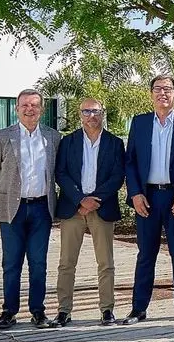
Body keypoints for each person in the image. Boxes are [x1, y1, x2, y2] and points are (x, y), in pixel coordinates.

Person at [123, 75, 174, 325]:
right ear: (151, 94)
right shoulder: (140, 123)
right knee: (146, 253)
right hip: (147, 198)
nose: (162, 94)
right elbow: (131, 161)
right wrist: (135, 193)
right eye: (158, 89)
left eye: (167, 89)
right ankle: (138, 308)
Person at [0, 89, 61, 329]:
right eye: (25, 105)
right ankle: (9, 311)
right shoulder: (3, 136)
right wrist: (8, 192)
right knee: (11, 262)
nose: (30, 109)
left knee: (38, 262)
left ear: (41, 109)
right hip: (11, 209)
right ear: (17, 108)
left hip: (41, 208)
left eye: (35, 105)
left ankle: (38, 311)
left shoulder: (53, 137)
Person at [54, 98, 126, 327]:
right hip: (73, 208)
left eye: (95, 111)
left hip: (101, 208)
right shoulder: (68, 142)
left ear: (102, 113)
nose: (91, 116)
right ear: (80, 114)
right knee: (66, 262)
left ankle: (107, 310)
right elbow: (61, 174)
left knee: (106, 262)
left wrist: (96, 199)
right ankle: (63, 310)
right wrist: (80, 199)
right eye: (86, 111)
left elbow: (117, 176)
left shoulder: (115, 143)